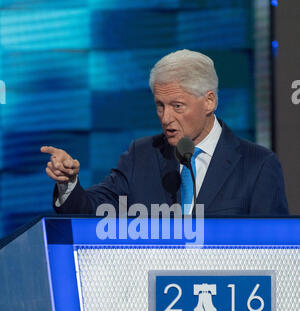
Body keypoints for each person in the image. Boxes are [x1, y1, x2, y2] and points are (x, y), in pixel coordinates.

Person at [42, 49, 289, 216]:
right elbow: (90, 211)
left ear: (209, 102)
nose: (166, 118)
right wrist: (68, 183)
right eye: (160, 105)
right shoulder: (141, 156)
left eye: (177, 106)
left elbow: (275, 251)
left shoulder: (257, 165)